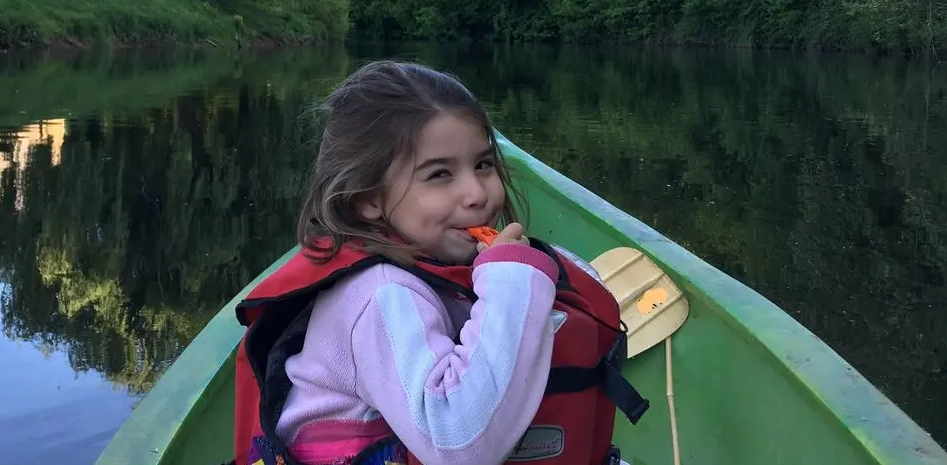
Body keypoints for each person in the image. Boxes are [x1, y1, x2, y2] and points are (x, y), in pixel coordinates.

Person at [231, 60, 647, 465]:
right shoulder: (380, 295)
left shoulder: (431, 262)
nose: (477, 194)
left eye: (483, 164)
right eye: (439, 175)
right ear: (367, 199)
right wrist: (513, 283)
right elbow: (460, 446)